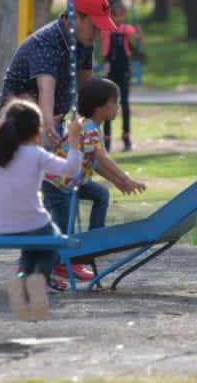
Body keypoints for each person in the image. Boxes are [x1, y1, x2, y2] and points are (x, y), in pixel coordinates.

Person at [0, 100, 83, 322]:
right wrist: (74, 142)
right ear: (37, 131)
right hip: (35, 224)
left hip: (2, 228)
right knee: (51, 243)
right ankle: (39, 281)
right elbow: (71, 170)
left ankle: (22, 277)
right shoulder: (36, 154)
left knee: (32, 247)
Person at [42, 78, 147, 284]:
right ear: (102, 105)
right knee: (64, 226)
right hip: (58, 185)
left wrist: (118, 183)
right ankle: (62, 265)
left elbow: (96, 164)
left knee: (101, 193)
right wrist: (127, 179)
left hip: (72, 183)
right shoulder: (87, 126)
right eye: (115, 103)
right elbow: (102, 159)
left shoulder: (92, 127)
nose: (117, 107)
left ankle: (94, 240)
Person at [1, 0, 114, 136]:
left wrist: (92, 123)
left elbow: (85, 89)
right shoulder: (47, 42)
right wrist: (47, 125)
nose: (97, 34)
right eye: (94, 27)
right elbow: (45, 89)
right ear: (75, 17)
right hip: (19, 124)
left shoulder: (84, 42)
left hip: (55, 120)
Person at [99, 2, 142, 151]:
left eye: (121, 15)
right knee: (107, 103)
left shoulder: (127, 29)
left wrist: (138, 34)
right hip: (111, 70)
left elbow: (138, 40)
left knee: (124, 103)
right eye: (115, 15)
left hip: (123, 69)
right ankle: (107, 138)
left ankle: (126, 136)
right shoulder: (106, 30)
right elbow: (104, 50)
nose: (118, 18)